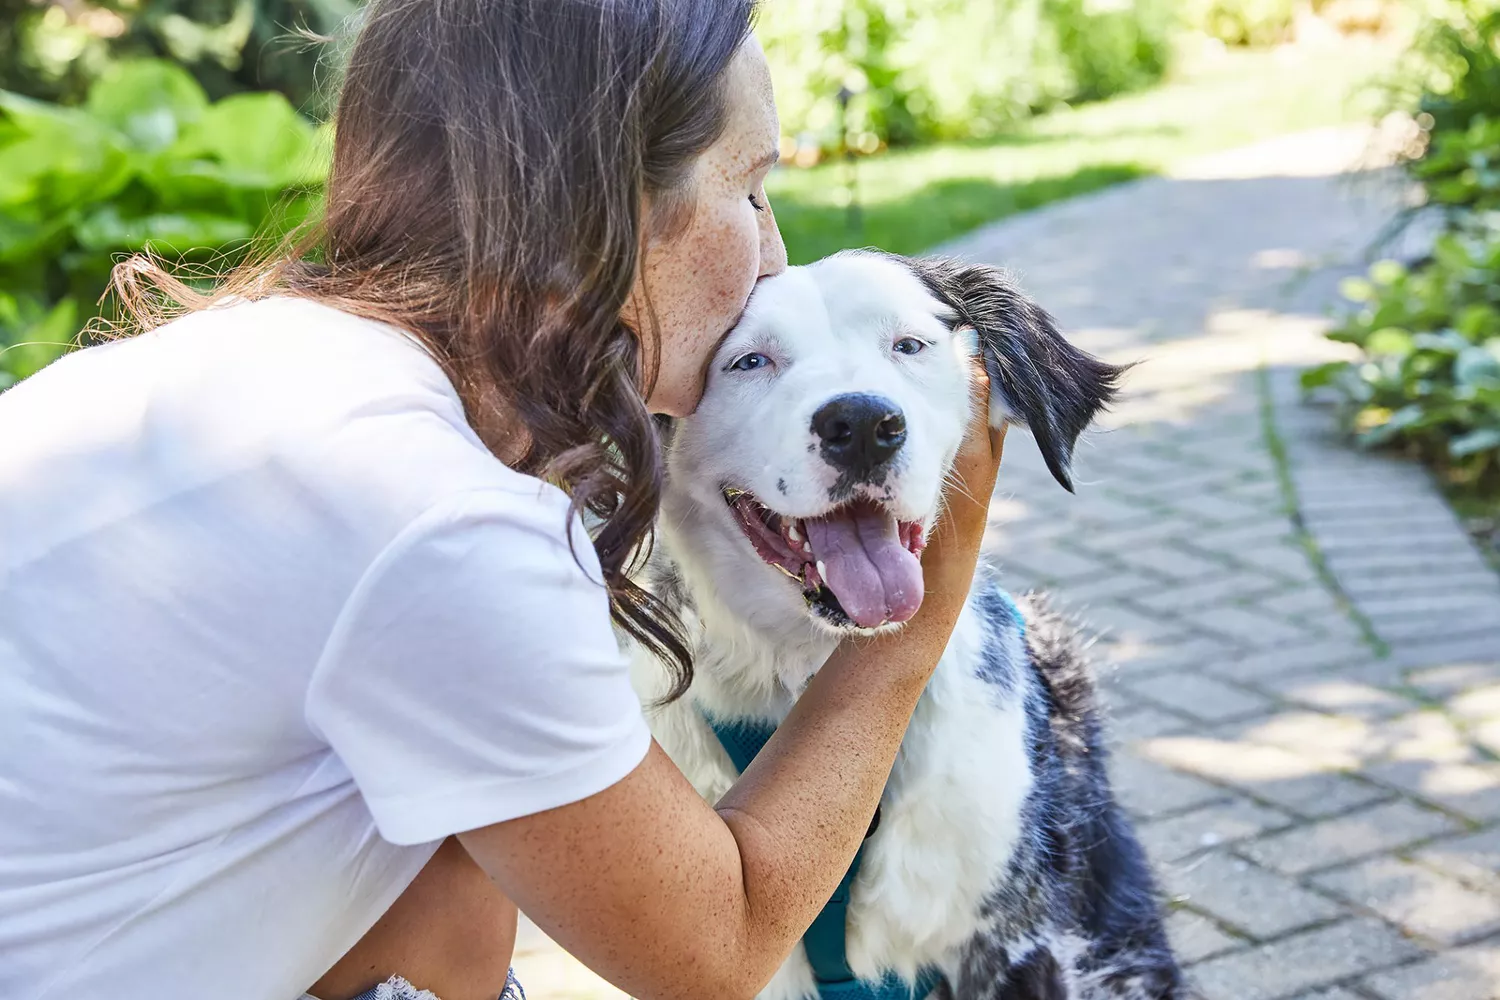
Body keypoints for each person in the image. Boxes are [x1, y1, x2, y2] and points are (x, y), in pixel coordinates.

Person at [0, 2, 1006, 999]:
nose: (774, 256)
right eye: (750, 190)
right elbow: (716, 948)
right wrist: (915, 625)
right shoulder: (437, 517)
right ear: (603, 207)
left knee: (466, 841)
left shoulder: (256, 364)